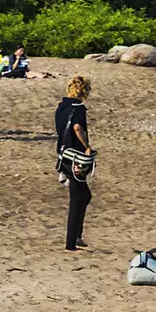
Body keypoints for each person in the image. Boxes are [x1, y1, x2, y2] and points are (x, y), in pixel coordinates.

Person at [55, 76, 95, 252]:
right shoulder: (78, 108)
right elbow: (77, 127)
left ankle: (77, 236)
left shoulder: (61, 107)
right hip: (76, 157)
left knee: (84, 195)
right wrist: (87, 147)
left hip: (64, 155)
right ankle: (71, 242)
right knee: (77, 199)